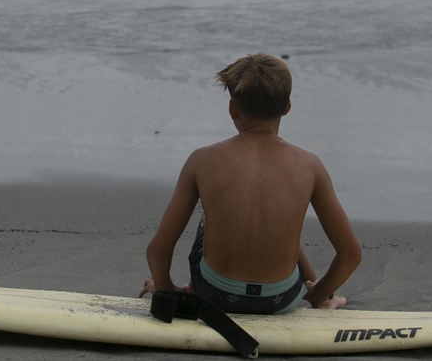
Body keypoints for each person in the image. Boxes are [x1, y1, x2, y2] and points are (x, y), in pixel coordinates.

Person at [139, 54, 361, 314]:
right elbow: (350, 255)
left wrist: (168, 290)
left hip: (214, 294)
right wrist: (318, 291)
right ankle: (319, 299)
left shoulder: (202, 160)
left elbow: (158, 250)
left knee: (210, 215)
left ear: (233, 108)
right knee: (278, 218)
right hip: (281, 297)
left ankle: (195, 285)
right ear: (287, 106)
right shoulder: (310, 165)